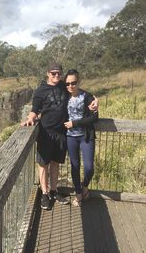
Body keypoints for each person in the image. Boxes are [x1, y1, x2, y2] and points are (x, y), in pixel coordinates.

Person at [22, 62, 97, 210]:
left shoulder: (64, 86)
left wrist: (95, 101)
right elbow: (35, 109)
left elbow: (79, 92)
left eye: (59, 73)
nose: (56, 76)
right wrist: (30, 118)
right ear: (47, 74)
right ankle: (44, 194)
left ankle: (54, 191)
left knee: (55, 163)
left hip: (61, 133)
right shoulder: (41, 90)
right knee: (43, 164)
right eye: (53, 73)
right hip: (45, 132)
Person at [63, 69, 98, 207]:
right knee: (75, 166)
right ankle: (78, 193)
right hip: (70, 137)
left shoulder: (87, 96)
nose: (70, 86)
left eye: (73, 83)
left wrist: (74, 123)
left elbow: (94, 118)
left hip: (85, 136)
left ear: (79, 82)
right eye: (68, 84)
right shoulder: (65, 96)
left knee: (89, 167)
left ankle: (84, 186)